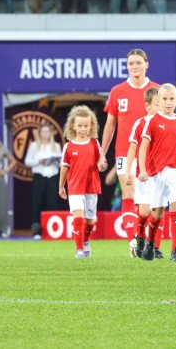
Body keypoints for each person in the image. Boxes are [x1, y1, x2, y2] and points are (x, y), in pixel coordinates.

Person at [100, 48, 158, 255]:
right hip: (125, 152)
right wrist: (102, 152)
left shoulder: (156, 91)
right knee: (129, 192)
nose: (134, 66)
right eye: (131, 63)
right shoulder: (117, 91)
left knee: (152, 201)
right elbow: (110, 125)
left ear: (146, 64)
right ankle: (133, 241)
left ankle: (148, 240)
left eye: (138, 63)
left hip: (152, 153)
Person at [138, 84, 176, 262]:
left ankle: (175, 250)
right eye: (164, 99)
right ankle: (150, 243)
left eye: (171, 99)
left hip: (175, 169)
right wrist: (143, 169)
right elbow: (143, 146)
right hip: (156, 172)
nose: (168, 102)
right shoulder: (152, 121)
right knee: (157, 213)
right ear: (158, 101)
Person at [58, 106, 105, 258]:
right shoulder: (68, 146)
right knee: (78, 216)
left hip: (91, 187)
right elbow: (65, 167)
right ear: (73, 125)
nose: (83, 129)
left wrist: (102, 165)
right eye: (80, 126)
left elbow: (100, 163)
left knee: (90, 221)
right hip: (75, 187)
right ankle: (79, 249)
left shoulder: (94, 144)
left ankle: (85, 242)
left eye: (86, 125)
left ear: (91, 126)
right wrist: (61, 186)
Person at [125, 86, 160, 258]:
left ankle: (154, 247)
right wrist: (128, 171)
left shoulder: (166, 122)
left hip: (161, 173)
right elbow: (132, 148)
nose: (161, 106)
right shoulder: (140, 124)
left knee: (157, 212)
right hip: (143, 174)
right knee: (146, 212)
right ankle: (139, 236)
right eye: (158, 103)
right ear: (148, 106)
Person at [24, 123, 61, 238]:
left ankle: (52, 231)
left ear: (51, 133)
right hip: (39, 176)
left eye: (47, 131)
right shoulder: (34, 146)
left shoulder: (56, 145)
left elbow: (62, 163)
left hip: (52, 176)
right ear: (40, 133)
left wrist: (55, 161)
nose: (45, 134)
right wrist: (38, 161)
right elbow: (27, 161)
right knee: (37, 203)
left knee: (52, 202)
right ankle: (37, 231)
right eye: (43, 132)